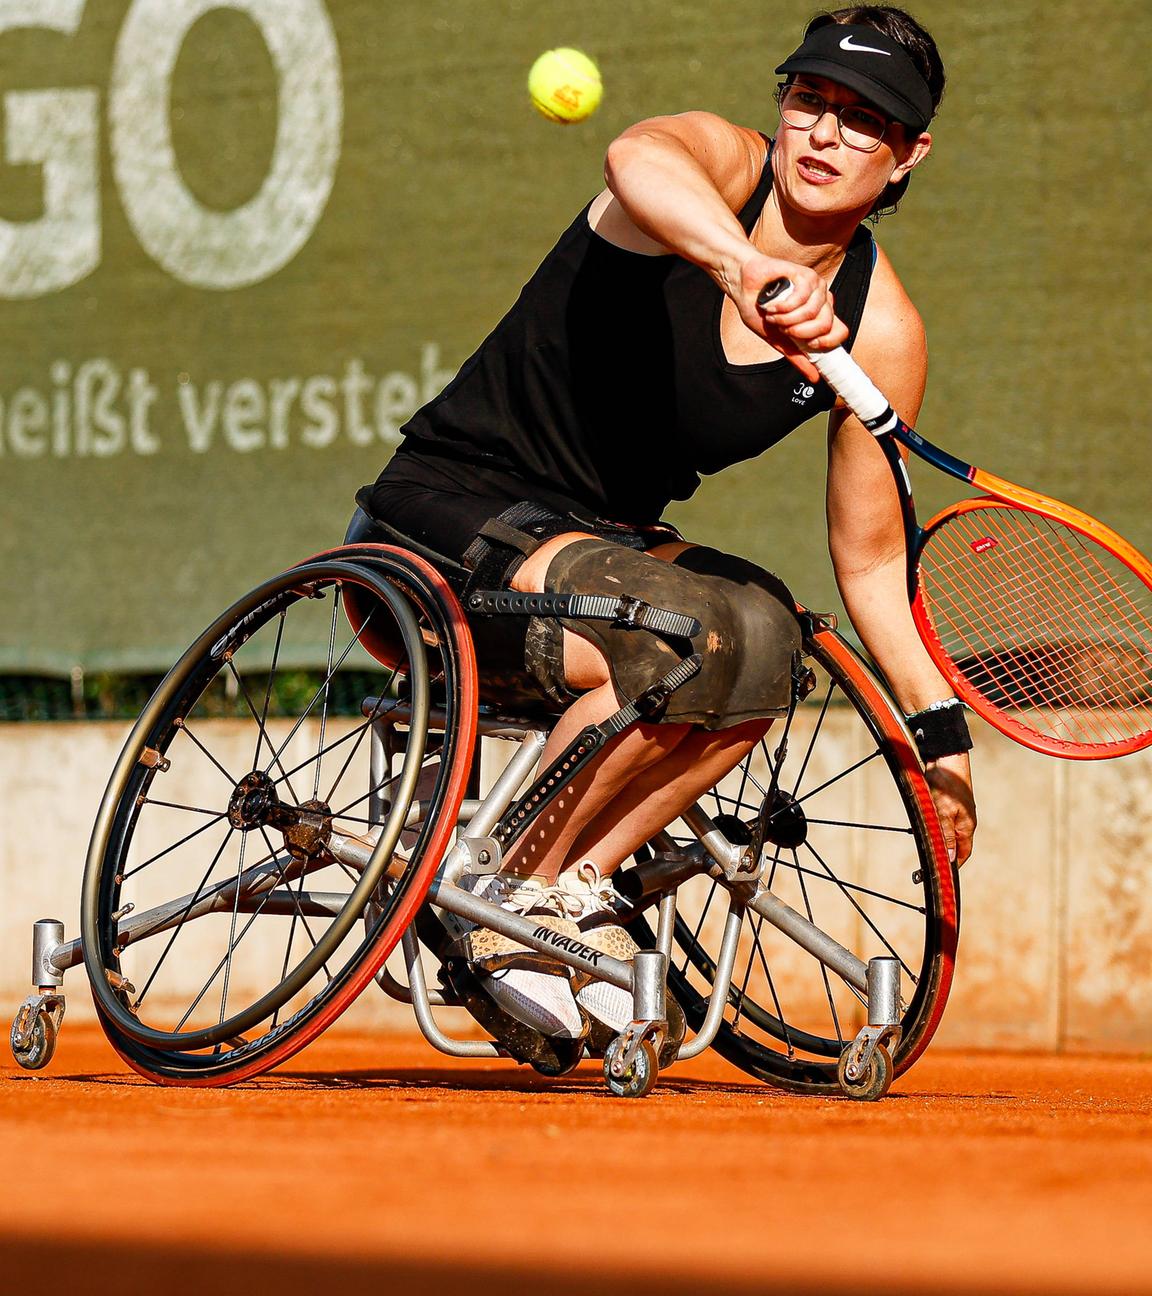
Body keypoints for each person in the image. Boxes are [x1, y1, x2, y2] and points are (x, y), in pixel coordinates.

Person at [353, 4, 977, 1046]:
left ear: (911, 155)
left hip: (597, 551)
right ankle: (507, 895)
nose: (824, 134)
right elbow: (636, 152)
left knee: (770, 638)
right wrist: (748, 271)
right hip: (435, 518)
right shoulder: (712, 170)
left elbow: (871, 566)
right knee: (681, 629)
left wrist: (941, 741)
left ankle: (565, 884)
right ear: (780, 107)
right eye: (810, 100)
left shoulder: (881, 329)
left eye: (864, 121)